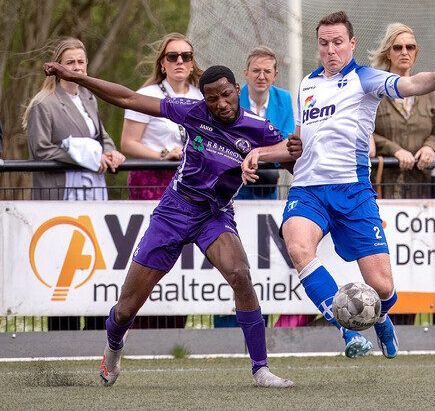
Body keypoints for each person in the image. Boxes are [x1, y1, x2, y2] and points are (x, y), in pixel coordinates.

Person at [43, 62, 293, 388]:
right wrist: (80, 78)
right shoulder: (191, 111)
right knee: (125, 309)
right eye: (213, 98)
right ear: (203, 98)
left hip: (214, 215)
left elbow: (291, 151)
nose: (221, 104)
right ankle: (114, 349)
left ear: (237, 91)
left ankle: (260, 369)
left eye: (227, 95)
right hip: (174, 211)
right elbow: (130, 99)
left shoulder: (257, 127)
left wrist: (261, 153)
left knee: (240, 274)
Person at [281, 11, 435, 359]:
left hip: (352, 191)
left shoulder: (365, 79)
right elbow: (301, 138)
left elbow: (410, 85)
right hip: (307, 188)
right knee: (298, 248)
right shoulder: (307, 84)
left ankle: (380, 318)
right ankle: (348, 332)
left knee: (381, 286)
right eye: (323, 43)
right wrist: (269, 153)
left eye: (337, 42)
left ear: (351, 44)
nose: (330, 49)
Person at [23, 37, 125, 202]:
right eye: (70, 62)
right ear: (59, 67)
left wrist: (110, 151)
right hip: (57, 193)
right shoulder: (43, 103)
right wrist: (87, 157)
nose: (77, 67)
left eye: (80, 61)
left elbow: (101, 135)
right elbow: (41, 151)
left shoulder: (89, 97)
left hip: (92, 188)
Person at [121, 33, 203, 201]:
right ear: (163, 64)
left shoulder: (201, 98)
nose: (180, 61)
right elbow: (128, 143)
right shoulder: (145, 96)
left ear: (192, 64)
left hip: (191, 180)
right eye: (172, 57)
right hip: (152, 180)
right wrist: (162, 155)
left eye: (186, 56)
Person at [368, 23, 435, 200]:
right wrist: (393, 150)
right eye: (397, 47)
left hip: (420, 187)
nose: (404, 52)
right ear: (388, 52)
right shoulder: (374, 89)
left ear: (416, 52)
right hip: (381, 187)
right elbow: (364, 134)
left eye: (410, 47)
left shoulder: (427, 91)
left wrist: (429, 148)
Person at [235, 46, 295, 200]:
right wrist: (270, 148)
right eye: (256, 71)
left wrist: (257, 151)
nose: (261, 76)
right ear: (246, 73)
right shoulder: (234, 99)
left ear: (275, 75)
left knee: (268, 224)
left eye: (267, 71)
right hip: (236, 181)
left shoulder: (284, 99)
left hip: (269, 182)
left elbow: (286, 141)